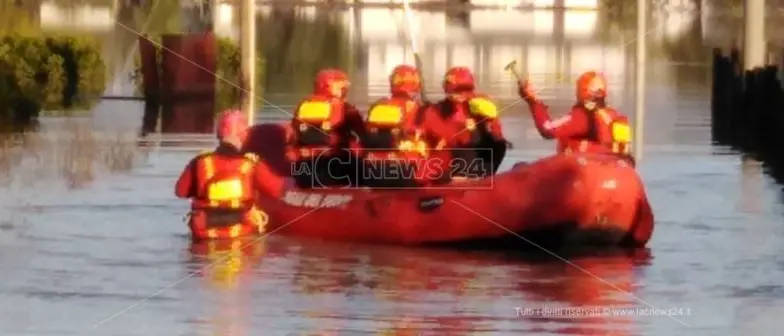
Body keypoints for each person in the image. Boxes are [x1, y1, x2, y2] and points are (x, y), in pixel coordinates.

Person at [175, 110, 285, 241]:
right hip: (242, 237)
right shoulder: (252, 165)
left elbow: (180, 192)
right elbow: (278, 191)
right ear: (243, 135)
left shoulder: (199, 162)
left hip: (204, 236)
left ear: (218, 134)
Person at [518, 71, 634, 162]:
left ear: (581, 91)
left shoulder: (582, 116)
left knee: (520, 167)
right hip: (618, 177)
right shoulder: (614, 116)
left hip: (588, 177)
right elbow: (626, 155)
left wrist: (533, 101)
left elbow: (547, 129)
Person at [418, 66, 510, 181]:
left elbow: (497, 139)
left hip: (478, 162)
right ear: (447, 90)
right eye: (456, 90)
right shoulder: (434, 111)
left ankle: (480, 179)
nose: (461, 94)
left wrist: (490, 126)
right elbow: (425, 136)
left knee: (498, 144)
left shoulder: (482, 104)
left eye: (466, 89)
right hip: (448, 165)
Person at [287, 68, 366, 188]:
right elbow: (363, 134)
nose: (344, 91)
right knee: (357, 154)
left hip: (302, 171)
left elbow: (293, 132)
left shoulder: (303, 105)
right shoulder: (345, 108)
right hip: (333, 168)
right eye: (341, 88)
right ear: (330, 86)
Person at [361, 65, 434, 188]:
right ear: (417, 84)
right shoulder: (424, 109)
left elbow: (366, 134)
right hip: (409, 170)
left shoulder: (379, 105)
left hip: (372, 170)